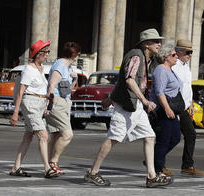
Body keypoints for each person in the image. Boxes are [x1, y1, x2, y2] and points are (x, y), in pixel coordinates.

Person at [83, 28, 172, 188]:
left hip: (134, 106)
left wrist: (110, 99)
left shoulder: (147, 58)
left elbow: (121, 84)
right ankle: (93, 172)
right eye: (156, 41)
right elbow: (129, 81)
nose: (159, 44)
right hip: (127, 106)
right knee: (114, 138)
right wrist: (145, 101)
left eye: (159, 41)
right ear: (146, 44)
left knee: (149, 136)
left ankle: (151, 176)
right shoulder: (136, 56)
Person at [9, 40, 58, 178]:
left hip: (39, 103)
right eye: (46, 52)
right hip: (30, 103)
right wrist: (15, 113)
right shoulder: (29, 69)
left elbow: (41, 89)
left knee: (28, 136)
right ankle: (47, 168)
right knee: (43, 135)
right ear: (39, 54)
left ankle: (15, 167)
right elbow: (21, 92)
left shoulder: (40, 69)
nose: (48, 55)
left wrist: (47, 100)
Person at [45, 42, 80, 174]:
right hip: (57, 102)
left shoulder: (68, 67)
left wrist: (74, 80)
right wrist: (50, 103)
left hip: (65, 101)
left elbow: (68, 88)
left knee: (55, 135)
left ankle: (50, 164)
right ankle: (53, 161)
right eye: (78, 53)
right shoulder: (60, 65)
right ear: (74, 54)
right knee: (67, 134)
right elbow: (52, 84)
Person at [172, 39, 204, 175]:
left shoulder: (185, 66)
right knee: (172, 137)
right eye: (188, 52)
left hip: (184, 106)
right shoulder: (174, 65)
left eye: (191, 52)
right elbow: (174, 88)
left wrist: (190, 102)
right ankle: (156, 161)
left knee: (189, 134)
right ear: (178, 52)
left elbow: (186, 86)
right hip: (175, 106)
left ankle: (187, 165)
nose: (190, 55)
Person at [150, 43, 182, 176]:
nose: (177, 57)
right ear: (165, 57)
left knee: (175, 138)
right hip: (163, 110)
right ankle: (157, 168)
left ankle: (152, 160)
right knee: (164, 139)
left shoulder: (170, 70)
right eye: (174, 55)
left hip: (172, 109)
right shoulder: (161, 70)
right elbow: (160, 92)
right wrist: (168, 109)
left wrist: (175, 111)